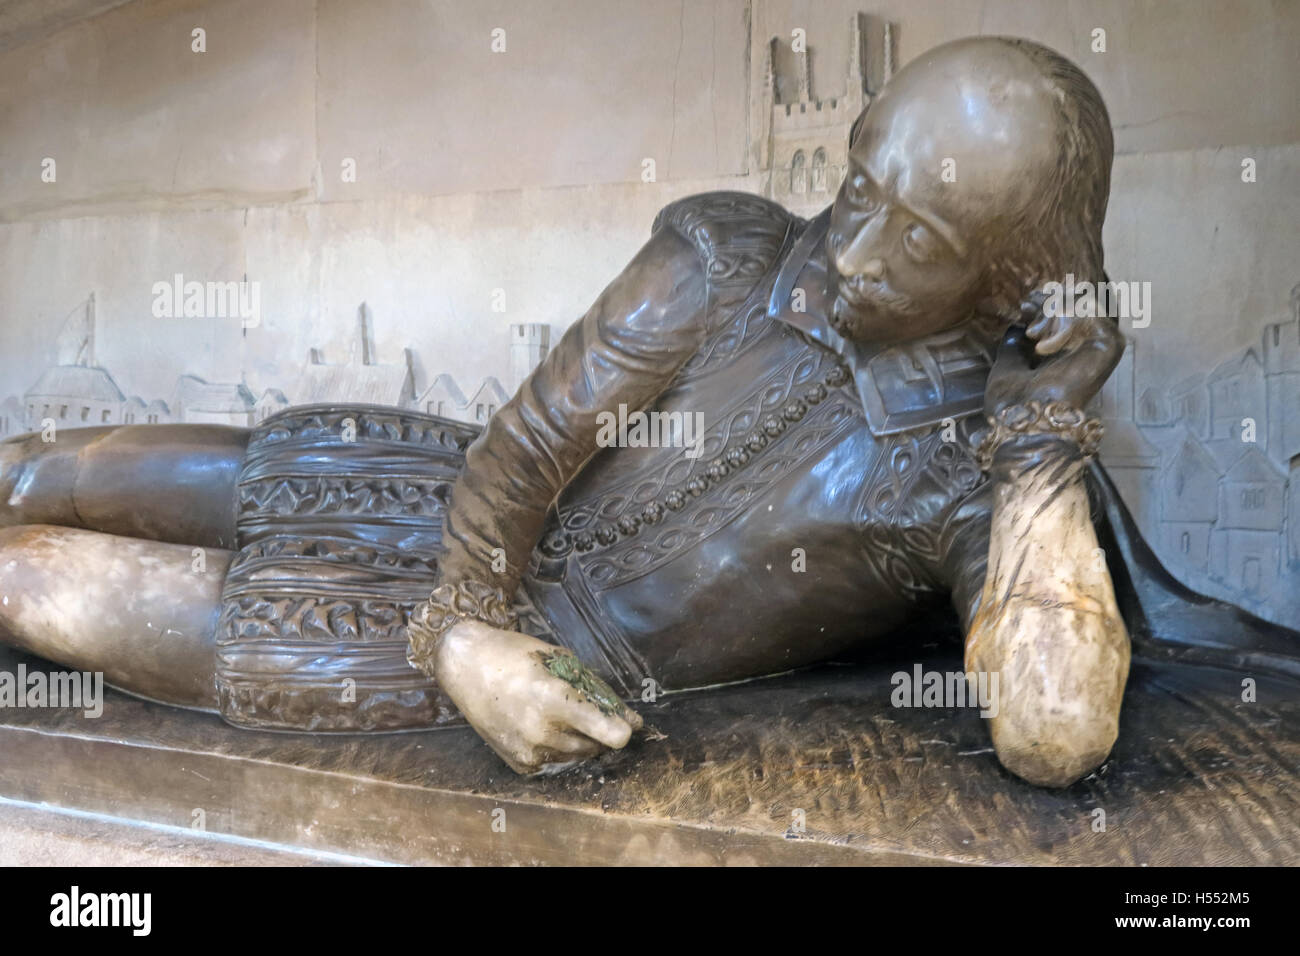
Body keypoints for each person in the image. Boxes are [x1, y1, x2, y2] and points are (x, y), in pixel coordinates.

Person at [1, 37, 1293, 788]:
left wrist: (1052, 426)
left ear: (1014, 274)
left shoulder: (970, 474)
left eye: (921, 239)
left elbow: (1056, 731)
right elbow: (525, 444)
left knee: (30, 579)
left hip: (542, 650)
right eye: (857, 189)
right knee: (41, 470)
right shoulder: (728, 252)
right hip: (451, 509)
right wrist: (461, 627)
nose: (853, 254)